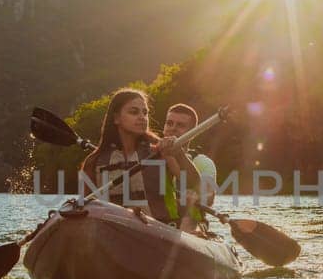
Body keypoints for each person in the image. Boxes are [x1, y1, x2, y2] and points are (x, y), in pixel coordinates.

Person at [79, 88, 165, 210]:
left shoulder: (160, 153)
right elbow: (85, 208)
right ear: (116, 118)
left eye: (145, 113)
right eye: (134, 112)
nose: (142, 117)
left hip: (155, 227)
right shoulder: (93, 161)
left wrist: (178, 153)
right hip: (113, 227)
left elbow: (194, 182)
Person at [157, 102, 219, 234]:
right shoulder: (150, 158)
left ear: (193, 133)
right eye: (169, 123)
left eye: (180, 125)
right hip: (158, 225)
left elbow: (208, 198)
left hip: (191, 225)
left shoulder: (203, 162)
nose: (173, 128)